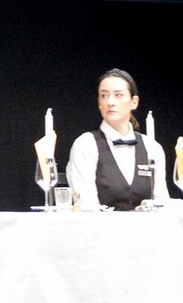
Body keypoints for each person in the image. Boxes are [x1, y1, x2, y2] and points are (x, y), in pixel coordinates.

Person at [66, 69, 172, 210]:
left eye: (118, 95)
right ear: (99, 103)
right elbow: (86, 205)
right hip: (100, 230)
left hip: (146, 229)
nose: (110, 102)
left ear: (134, 102)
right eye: (104, 95)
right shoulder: (86, 144)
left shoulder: (152, 147)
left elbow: (162, 203)